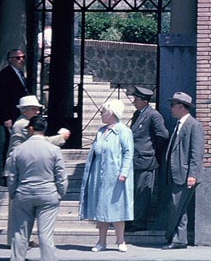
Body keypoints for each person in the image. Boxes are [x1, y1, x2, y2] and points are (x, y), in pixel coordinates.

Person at [3, 115, 69, 261]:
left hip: (24, 192)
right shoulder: (53, 150)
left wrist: (13, 192)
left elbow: (11, 175)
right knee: (45, 233)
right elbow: (61, 175)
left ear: (31, 129)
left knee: (20, 233)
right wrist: (60, 193)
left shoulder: (18, 150)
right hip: (47, 193)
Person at [4, 95, 69, 244]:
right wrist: (60, 137)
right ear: (24, 110)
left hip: (22, 166)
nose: (37, 112)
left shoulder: (24, 123)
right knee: (16, 210)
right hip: (19, 166)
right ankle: (15, 241)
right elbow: (40, 141)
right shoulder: (22, 124)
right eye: (34, 109)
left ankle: (19, 240)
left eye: (38, 109)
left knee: (19, 210)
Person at [78, 99, 134, 252]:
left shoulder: (124, 131)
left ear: (111, 113)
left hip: (115, 175)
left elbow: (128, 152)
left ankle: (120, 240)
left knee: (117, 207)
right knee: (100, 208)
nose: (101, 114)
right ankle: (101, 241)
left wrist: (124, 172)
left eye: (103, 112)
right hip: (99, 175)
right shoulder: (101, 131)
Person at [163, 92, 204, 250]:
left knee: (176, 206)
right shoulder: (178, 125)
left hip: (184, 174)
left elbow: (196, 152)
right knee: (179, 207)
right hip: (175, 174)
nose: (170, 108)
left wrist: (192, 174)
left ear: (181, 107)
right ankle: (179, 239)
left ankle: (172, 237)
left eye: (172, 105)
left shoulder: (194, 125)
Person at [127, 86, 169, 232]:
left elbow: (163, 135)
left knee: (142, 193)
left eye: (136, 99)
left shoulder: (153, 115)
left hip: (146, 160)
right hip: (135, 160)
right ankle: (132, 219)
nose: (134, 102)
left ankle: (139, 222)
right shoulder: (137, 114)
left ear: (145, 101)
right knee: (134, 192)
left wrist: (152, 151)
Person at [0, 49, 28, 160]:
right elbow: (1, 98)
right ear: (10, 60)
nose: (21, 60)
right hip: (12, 115)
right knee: (11, 141)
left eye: (23, 57)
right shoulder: (5, 75)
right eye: (18, 58)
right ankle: (7, 166)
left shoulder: (20, 74)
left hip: (21, 114)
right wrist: (6, 117)